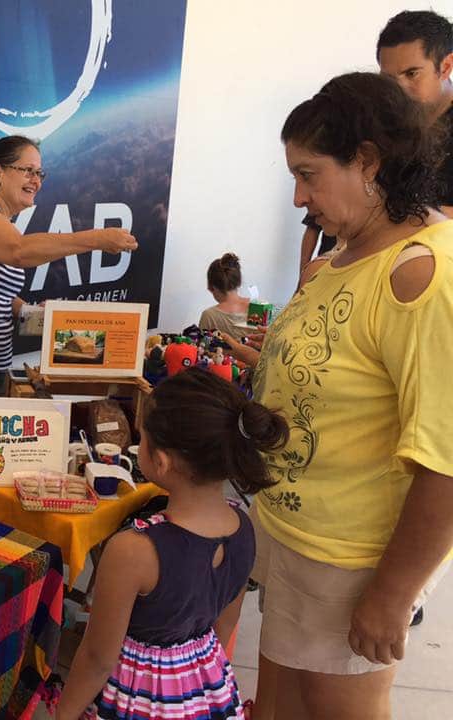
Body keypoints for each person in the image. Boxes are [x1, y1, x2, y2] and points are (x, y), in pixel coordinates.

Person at [251, 73, 453, 720]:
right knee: (278, 704)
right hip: (294, 539)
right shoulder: (345, 255)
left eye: (308, 174)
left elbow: (445, 459)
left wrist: (392, 594)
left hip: (353, 562)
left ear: (368, 161)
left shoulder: (422, 275)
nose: (297, 197)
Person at [0, 135, 138, 506]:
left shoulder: (0, 221)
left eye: (40, 173)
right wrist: (96, 238)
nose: (36, 179)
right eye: (27, 170)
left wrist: (28, 312)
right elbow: (17, 252)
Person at [54, 369, 289, 720]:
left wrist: (64, 714)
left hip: (139, 696)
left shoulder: (133, 549)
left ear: (160, 461)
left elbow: (98, 657)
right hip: (206, 688)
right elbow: (224, 627)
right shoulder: (243, 528)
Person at [377, 9, 453, 214]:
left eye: (412, 74)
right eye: (389, 79)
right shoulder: (378, 124)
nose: (399, 89)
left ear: (445, 67)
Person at [198, 252, 251, 340]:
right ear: (239, 281)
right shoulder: (258, 308)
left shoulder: (209, 316)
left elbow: (201, 348)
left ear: (211, 287)